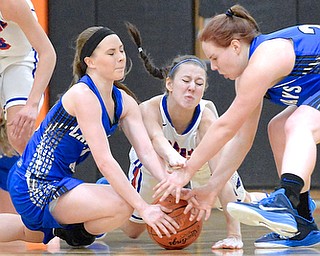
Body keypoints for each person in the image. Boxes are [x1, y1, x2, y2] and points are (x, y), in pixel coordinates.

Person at [153, 4, 320, 248]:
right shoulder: (248, 74)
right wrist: (212, 187)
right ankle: (301, 220)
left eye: (214, 58)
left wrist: (186, 171)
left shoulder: (266, 58)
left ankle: (285, 199)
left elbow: (225, 127)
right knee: (277, 128)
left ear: (234, 46)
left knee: (298, 124)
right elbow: (242, 139)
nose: (213, 67)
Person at [0, 25, 179, 247]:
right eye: (111, 53)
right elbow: (104, 161)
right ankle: (73, 232)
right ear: (90, 61)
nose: (121, 58)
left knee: (29, 233)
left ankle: (65, 230)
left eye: (121, 51)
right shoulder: (83, 95)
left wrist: (172, 187)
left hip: (58, 181)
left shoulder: (124, 102)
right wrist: (144, 207)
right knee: (125, 204)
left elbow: (146, 152)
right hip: (34, 182)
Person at [97, 22, 266, 249]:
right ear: (169, 84)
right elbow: (156, 139)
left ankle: (258, 200)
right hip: (154, 168)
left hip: (200, 170)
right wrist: (172, 157)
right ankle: (106, 188)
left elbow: (220, 172)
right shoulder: (149, 108)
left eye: (199, 83)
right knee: (133, 231)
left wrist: (234, 236)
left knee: (239, 202)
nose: (191, 88)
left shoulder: (206, 118)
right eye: (185, 81)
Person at [0, 0, 56, 214]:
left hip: (19, 61)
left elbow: (48, 54)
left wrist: (32, 105)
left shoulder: (11, 4)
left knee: (19, 134)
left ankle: (59, 201)